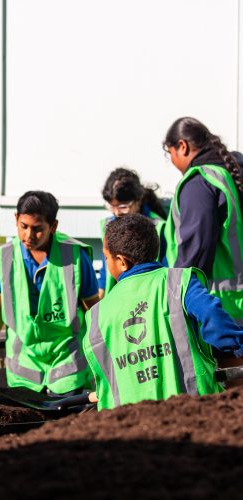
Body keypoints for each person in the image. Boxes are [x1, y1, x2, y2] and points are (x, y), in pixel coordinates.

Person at [82, 214, 243, 411]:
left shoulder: (97, 314)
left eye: (106, 257)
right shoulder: (177, 282)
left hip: (132, 427)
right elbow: (213, 317)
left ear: (122, 261)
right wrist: (237, 345)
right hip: (196, 413)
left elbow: (105, 381)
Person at [0, 191, 100, 396]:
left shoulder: (75, 258)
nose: (29, 236)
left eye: (38, 229)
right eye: (24, 227)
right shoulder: (4, 258)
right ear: (16, 219)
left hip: (67, 366)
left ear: (53, 226)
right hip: (25, 371)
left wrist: (102, 359)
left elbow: (95, 313)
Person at [162, 117, 243, 325]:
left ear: (182, 146)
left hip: (219, 312)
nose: (171, 161)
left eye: (169, 154)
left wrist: (173, 303)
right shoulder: (232, 174)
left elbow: (194, 256)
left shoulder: (200, 182)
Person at [99, 167, 167, 297]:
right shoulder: (109, 226)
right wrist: (100, 295)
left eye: (123, 206)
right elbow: (105, 269)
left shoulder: (159, 227)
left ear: (138, 199)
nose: (117, 212)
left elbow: (166, 268)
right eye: (111, 206)